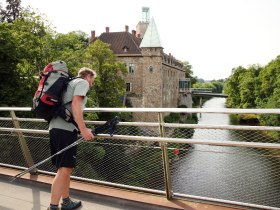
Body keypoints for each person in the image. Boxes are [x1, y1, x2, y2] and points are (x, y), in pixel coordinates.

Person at [47, 67, 96, 210]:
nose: (92, 84)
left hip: (55, 127)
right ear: (88, 76)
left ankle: (66, 201)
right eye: (92, 80)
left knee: (65, 168)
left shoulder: (68, 83)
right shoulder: (82, 83)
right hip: (66, 130)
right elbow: (76, 104)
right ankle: (53, 207)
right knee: (64, 169)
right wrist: (83, 129)